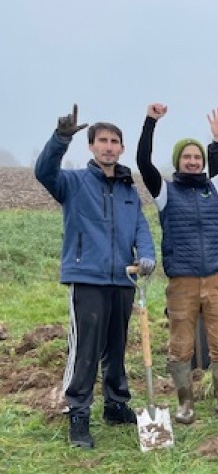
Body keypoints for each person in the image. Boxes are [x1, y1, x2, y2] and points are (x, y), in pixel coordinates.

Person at [34, 104, 156, 449]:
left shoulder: (128, 188)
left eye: (114, 142)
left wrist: (147, 254)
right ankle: (78, 413)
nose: (108, 147)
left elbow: (140, 226)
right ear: (91, 146)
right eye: (102, 140)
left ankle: (116, 404)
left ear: (121, 148)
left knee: (117, 346)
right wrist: (60, 139)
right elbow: (44, 172)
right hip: (87, 277)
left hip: (124, 279)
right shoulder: (73, 183)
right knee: (85, 349)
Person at [136, 101, 218, 424]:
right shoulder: (165, 191)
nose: (192, 161)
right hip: (182, 283)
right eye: (186, 157)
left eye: (197, 157)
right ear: (178, 162)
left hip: (215, 281)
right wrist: (150, 122)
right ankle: (185, 405)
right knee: (180, 346)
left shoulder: (217, 187)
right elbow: (143, 161)